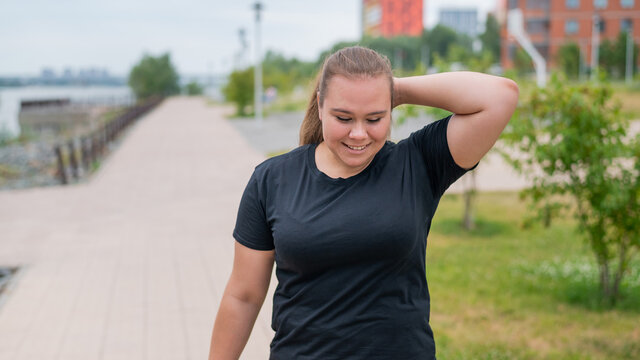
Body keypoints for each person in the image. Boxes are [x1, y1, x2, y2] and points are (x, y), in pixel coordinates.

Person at [209, 46, 519, 360]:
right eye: (344, 117)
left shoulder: (418, 163)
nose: (359, 134)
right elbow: (243, 296)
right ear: (320, 105)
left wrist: (392, 88)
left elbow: (500, 96)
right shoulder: (272, 179)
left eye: (374, 118)